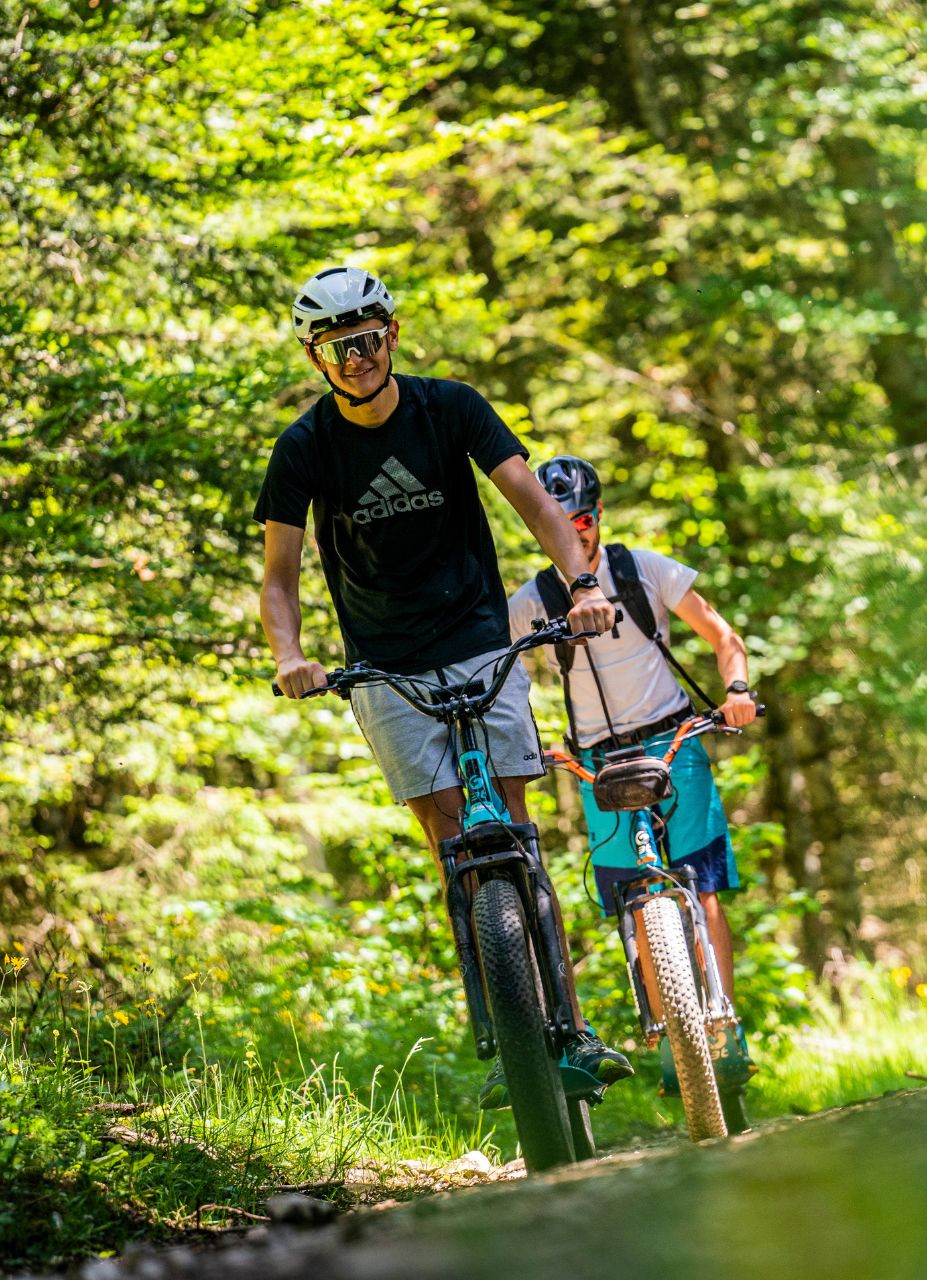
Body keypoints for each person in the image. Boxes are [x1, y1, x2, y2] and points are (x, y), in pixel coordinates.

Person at [254, 265, 634, 1108]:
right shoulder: (305, 448)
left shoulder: (451, 406)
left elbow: (533, 502)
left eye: (369, 338)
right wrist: (290, 655)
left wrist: (583, 588)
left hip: (475, 639)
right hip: (383, 661)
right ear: (317, 355)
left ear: (391, 333)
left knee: (517, 828)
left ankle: (566, 1026)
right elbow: (279, 576)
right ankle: (503, 1032)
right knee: (448, 840)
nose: (357, 357)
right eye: (338, 345)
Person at [508, 455, 759, 1096]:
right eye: (560, 522)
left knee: (700, 884)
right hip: (597, 760)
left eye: (585, 518)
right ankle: (678, 1042)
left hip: (673, 738)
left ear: (598, 517)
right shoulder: (532, 601)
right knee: (631, 897)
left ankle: (727, 1033)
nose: (577, 532)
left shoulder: (643, 570)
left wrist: (734, 690)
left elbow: (722, 635)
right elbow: (496, 671)